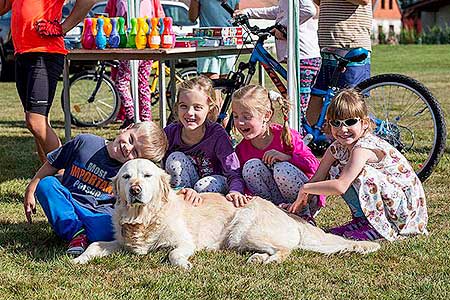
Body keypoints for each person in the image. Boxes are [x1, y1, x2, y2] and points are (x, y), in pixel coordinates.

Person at [287, 89, 428, 241]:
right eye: (336, 123)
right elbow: (317, 178)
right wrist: (300, 204)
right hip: (391, 202)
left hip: (405, 211)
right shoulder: (336, 148)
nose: (343, 129)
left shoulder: (363, 148)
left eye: (350, 122)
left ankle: (380, 228)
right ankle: (362, 220)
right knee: (337, 168)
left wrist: (305, 189)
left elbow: (340, 186)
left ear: (365, 123)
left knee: (361, 173)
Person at [23, 121, 168, 256]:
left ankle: (74, 232)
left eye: (135, 153)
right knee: (46, 185)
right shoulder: (85, 142)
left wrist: (185, 191)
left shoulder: (127, 175)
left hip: (96, 215)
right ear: (127, 127)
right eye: (131, 139)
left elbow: (157, 187)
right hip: (68, 203)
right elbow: (52, 164)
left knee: (109, 230)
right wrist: (31, 188)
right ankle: (76, 232)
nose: (127, 148)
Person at [0, 0, 97, 163]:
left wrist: (63, 27)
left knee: (35, 122)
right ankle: (48, 178)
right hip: (22, 53)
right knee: (38, 125)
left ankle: (65, 173)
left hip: (45, 53)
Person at [231, 85, 324, 223]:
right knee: (251, 167)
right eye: (236, 116)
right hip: (277, 201)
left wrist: (288, 158)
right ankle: (271, 214)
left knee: (282, 169)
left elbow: (315, 167)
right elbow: (242, 180)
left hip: (306, 198)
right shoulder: (242, 149)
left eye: (247, 116)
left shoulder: (285, 136)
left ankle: (304, 216)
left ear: (266, 116)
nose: (240, 122)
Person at [234, 0, 321, 128]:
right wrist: (248, 12)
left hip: (304, 56)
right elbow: (278, 11)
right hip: (298, 57)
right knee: (295, 104)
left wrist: (283, 26)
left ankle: (299, 141)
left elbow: (309, 10)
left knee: (297, 109)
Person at [163, 76, 246, 207]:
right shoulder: (170, 132)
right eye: (184, 106)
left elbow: (233, 171)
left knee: (202, 186)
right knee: (175, 158)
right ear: (177, 107)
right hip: (184, 188)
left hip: (212, 184)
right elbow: (154, 161)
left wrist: (235, 191)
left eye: (197, 107)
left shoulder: (217, 134)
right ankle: (183, 204)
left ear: (209, 108)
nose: (190, 113)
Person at [307, 0, 372, 124]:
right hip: (327, 45)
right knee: (317, 94)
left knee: (350, 102)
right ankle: (312, 139)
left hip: (350, 44)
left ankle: (358, 139)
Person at [107, 0, 165, 128]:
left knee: (122, 82)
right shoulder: (149, 1)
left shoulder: (124, 2)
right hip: (149, 42)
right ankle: (146, 119)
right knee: (143, 84)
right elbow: (159, 17)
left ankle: (132, 115)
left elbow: (121, 20)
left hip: (133, 43)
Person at [189, 0, 239, 81]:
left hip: (213, 44)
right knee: (223, 85)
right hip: (224, 43)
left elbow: (192, 18)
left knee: (214, 85)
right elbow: (236, 18)